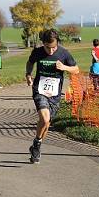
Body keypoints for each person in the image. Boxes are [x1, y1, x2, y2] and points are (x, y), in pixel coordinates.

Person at [26, 29, 79, 163]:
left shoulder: (63, 53)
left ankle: (36, 145)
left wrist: (65, 67)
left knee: (47, 123)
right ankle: (37, 145)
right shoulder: (38, 52)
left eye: (53, 47)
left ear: (57, 43)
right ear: (43, 43)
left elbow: (76, 69)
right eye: (47, 48)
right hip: (40, 90)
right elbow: (30, 62)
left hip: (55, 94)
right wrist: (28, 74)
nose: (50, 51)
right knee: (44, 118)